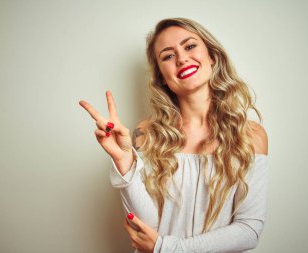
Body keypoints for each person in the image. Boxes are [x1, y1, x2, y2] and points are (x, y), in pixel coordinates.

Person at [79, 17, 268, 253]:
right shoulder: (145, 134)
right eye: (168, 56)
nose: (181, 58)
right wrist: (124, 161)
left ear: (212, 56)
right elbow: (145, 229)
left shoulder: (250, 135)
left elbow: (249, 231)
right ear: (162, 77)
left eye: (189, 46)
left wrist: (167, 248)